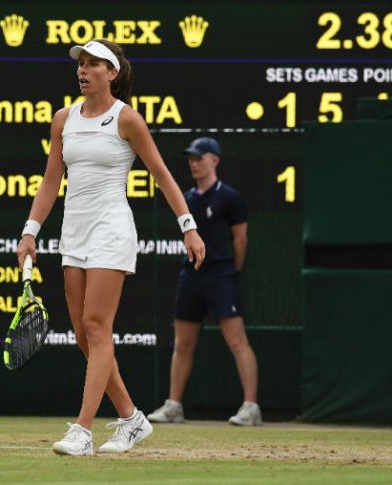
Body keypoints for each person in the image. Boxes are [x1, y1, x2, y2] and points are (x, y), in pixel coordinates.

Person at [16, 39, 206, 456]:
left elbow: (162, 174)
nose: (83, 70)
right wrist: (30, 231)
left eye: (93, 64)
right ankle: (131, 418)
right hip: (74, 232)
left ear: (113, 72)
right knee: (84, 335)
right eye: (80, 64)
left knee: (97, 326)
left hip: (111, 229)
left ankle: (82, 430)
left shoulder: (127, 119)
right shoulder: (63, 119)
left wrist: (188, 227)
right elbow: (51, 180)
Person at [147, 137, 262, 426]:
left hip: (221, 275)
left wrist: (232, 271)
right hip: (191, 276)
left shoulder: (230, 197)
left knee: (237, 341)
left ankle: (251, 407)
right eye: (191, 158)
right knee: (182, 344)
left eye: (199, 157)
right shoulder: (185, 199)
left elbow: (241, 239)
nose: (193, 163)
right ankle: (174, 406)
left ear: (215, 160)